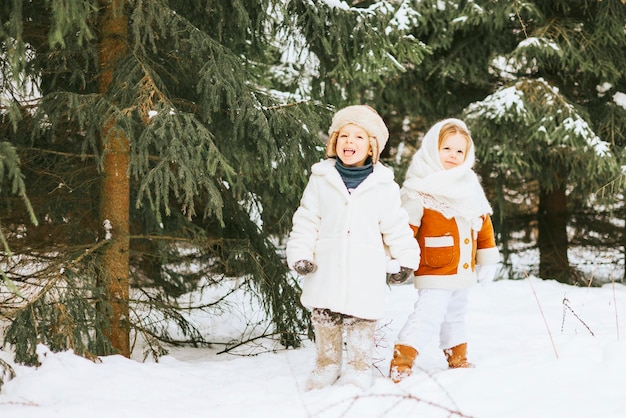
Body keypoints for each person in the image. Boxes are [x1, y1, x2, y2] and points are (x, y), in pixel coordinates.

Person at [286, 105, 420, 391]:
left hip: (364, 268)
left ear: (372, 147)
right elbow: (307, 219)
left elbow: (396, 224)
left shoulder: (383, 184)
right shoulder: (321, 178)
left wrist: (406, 259)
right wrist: (300, 253)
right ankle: (327, 363)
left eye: (359, 137)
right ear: (335, 142)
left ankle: (359, 367)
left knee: (362, 318)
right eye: (344, 135)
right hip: (326, 266)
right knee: (325, 315)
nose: (350, 142)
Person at [388, 118, 500, 383]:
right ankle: (402, 359)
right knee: (428, 313)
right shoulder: (419, 188)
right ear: (431, 149)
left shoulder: (469, 184)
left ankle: (457, 355)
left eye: (459, 151)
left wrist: (487, 257)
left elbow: (483, 222)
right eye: (446, 148)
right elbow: (405, 229)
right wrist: (398, 259)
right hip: (435, 266)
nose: (453, 155)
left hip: (463, 267)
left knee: (456, 313)